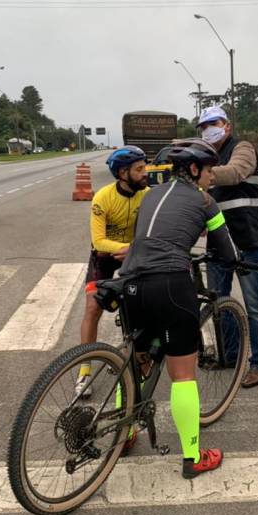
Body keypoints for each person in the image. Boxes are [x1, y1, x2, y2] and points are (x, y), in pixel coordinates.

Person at [119, 138, 240, 479]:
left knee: (134, 361)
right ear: (193, 169)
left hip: (129, 281)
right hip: (170, 282)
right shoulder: (205, 201)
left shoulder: (150, 195)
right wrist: (237, 262)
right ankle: (192, 456)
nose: (212, 177)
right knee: (183, 375)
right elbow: (226, 251)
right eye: (209, 170)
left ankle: (122, 434)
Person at [197, 106, 258, 388]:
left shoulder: (243, 148)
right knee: (219, 302)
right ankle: (229, 355)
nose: (207, 130)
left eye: (212, 124)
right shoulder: (205, 158)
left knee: (254, 304)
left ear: (226, 125)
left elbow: (236, 172)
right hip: (218, 241)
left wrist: (201, 175)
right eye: (203, 127)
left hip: (246, 238)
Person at [75, 146, 149, 398]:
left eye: (144, 167)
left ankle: (136, 357)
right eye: (139, 169)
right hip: (105, 258)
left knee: (140, 307)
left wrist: (133, 251)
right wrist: (127, 248)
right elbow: (98, 242)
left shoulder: (147, 196)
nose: (145, 173)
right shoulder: (103, 198)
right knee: (93, 307)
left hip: (134, 257)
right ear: (122, 173)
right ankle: (84, 370)